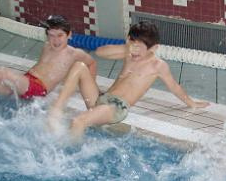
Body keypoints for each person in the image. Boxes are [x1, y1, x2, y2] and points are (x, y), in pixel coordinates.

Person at [47, 21, 208, 140]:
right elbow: (100, 52)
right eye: (132, 44)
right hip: (101, 99)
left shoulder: (157, 65)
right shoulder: (128, 54)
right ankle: (56, 109)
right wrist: (126, 48)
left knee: (78, 121)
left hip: (116, 108)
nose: (135, 51)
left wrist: (191, 103)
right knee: (79, 66)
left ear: (153, 48)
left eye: (139, 48)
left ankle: (70, 153)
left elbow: (174, 86)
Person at [0, 15, 96, 105]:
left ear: (69, 35)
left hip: (38, 88)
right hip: (26, 82)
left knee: (3, 72)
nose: (55, 40)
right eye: (51, 35)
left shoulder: (74, 53)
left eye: (60, 35)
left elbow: (91, 63)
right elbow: (44, 68)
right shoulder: (47, 46)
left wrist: (90, 86)